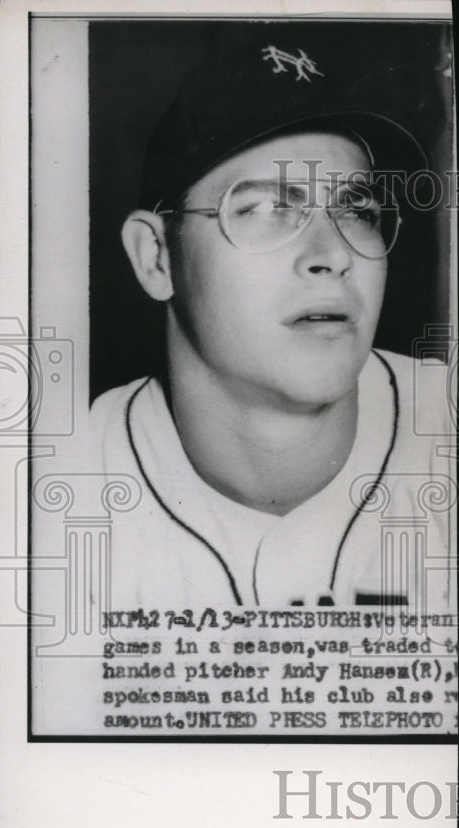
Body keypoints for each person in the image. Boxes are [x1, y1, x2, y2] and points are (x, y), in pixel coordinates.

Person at [91, 40, 455, 609]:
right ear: (156, 258)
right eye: (263, 207)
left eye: (355, 209)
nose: (331, 253)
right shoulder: (53, 478)